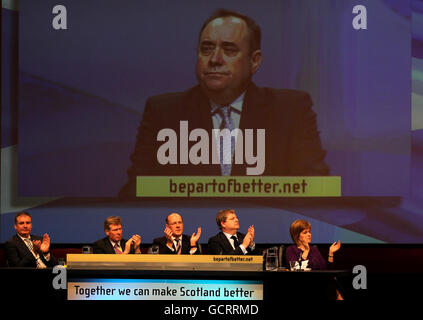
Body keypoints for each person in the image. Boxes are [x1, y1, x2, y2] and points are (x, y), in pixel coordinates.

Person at [119, 8, 329, 197]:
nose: (215, 59)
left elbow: (315, 191)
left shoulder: (291, 110)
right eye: (207, 48)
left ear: (254, 61)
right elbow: (137, 193)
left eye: (229, 50)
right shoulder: (164, 113)